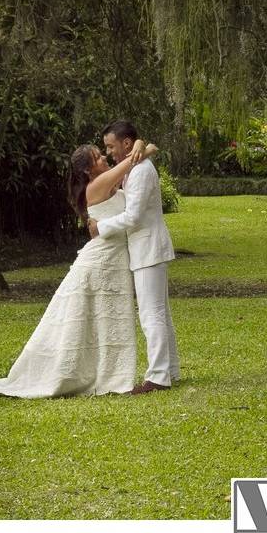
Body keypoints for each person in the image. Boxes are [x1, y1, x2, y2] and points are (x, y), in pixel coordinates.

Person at [0, 140, 156, 398]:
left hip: (115, 261)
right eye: (99, 158)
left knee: (108, 319)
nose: (105, 158)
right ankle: (83, 374)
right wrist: (142, 147)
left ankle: (109, 372)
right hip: (100, 261)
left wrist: (137, 143)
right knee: (84, 319)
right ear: (87, 171)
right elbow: (132, 161)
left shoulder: (108, 183)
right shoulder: (97, 186)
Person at [88, 120, 180, 395]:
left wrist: (100, 227)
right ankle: (170, 370)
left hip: (148, 249)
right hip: (147, 249)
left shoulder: (140, 170)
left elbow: (134, 216)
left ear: (126, 143)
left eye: (111, 146)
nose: (109, 152)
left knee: (151, 315)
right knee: (160, 313)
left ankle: (158, 377)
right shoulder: (135, 165)